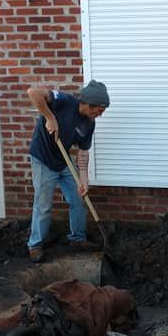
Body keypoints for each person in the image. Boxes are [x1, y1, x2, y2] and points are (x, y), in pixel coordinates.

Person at [26, 80, 110, 262]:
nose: (100, 115)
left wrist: (84, 180)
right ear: (88, 104)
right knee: (43, 205)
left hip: (63, 161)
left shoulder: (89, 124)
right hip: (43, 159)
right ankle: (35, 244)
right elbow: (33, 92)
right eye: (99, 110)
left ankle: (77, 239)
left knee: (79, 198)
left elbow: (83, 152)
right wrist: (50, 117)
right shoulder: (63, 101)